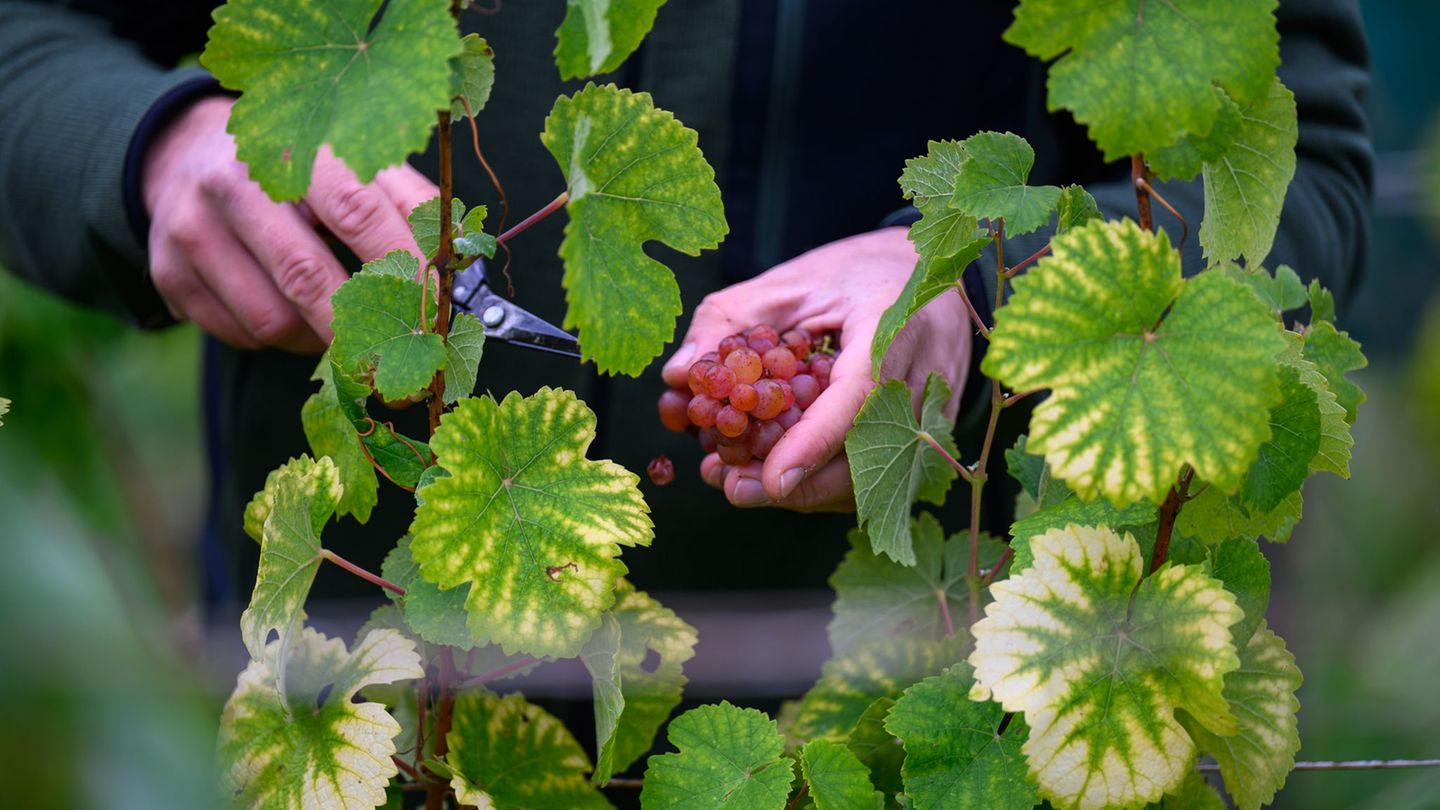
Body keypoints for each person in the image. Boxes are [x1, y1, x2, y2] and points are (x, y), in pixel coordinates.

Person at [0, 0, 1372, 609]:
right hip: (363, 691)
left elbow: (1292, 167)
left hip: (937, 681)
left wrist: (978, 284)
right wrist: (145, 148)